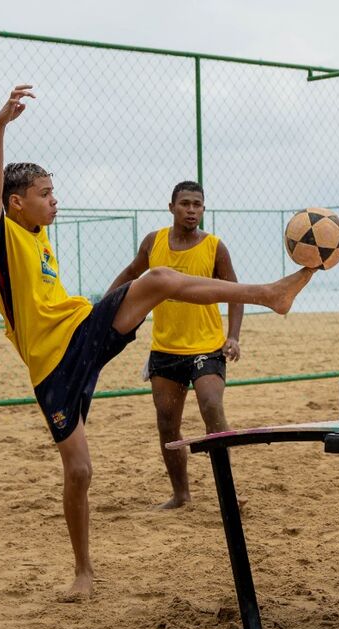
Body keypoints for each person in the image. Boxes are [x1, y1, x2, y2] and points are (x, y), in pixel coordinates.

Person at [0, 86, 313, 598]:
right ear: (16, 203)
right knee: (79, 470)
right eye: (46, 194)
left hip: (79, 332)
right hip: (51, 368)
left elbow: (16, 268)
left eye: (54, 191)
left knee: (159, 280)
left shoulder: (32, 234)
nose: (55, 200)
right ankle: (83, 573)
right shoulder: (2, 228)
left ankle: (268, 294)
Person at [106, 182, 241, 510]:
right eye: (185, 204)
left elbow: (236, 293)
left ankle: (229, 495)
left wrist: (233, 336)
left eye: (198, 204)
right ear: (172, 207)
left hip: (207, 347)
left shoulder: (215, 247)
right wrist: (105, 306)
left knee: (211, 407)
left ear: (204, 209)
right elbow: (131, 272)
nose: (192, 210)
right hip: (165, 349)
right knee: (168, 423)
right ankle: (181, 495)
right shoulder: (154, 242)